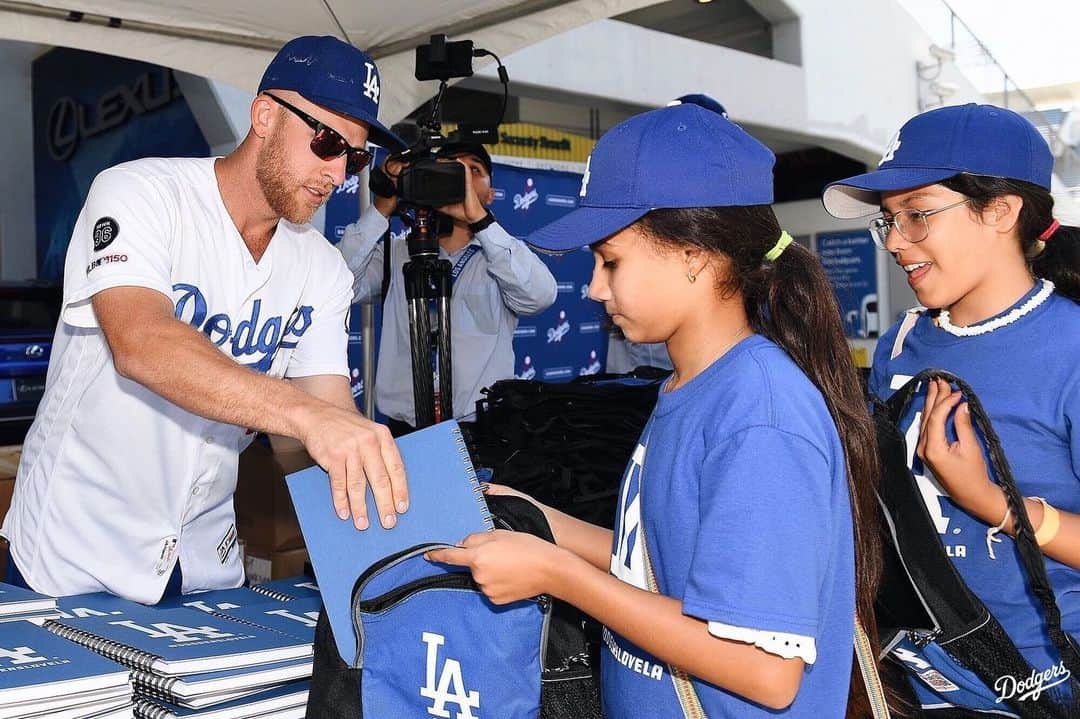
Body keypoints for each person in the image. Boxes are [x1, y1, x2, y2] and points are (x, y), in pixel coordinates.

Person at [428, 99, 883, 716]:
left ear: (695, 253)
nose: (593, 287)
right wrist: (542, 521)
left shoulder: (760, 415)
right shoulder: (690, 388)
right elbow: (660, 560)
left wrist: (559, 576)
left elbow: (766, 670)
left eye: (611, 260)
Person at [0, 36, 411, 604]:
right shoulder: (140, 193)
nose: (337, 174)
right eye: (326, 141)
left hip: (204, 559)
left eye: (355, 157)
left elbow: (324, 420)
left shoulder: (322, 267)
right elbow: (141, 343)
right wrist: (304, 416)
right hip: (75, 551)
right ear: (265, 115)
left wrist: (394, 514)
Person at [824, 103, 1080, 708]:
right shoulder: (902, 342)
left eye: (917, 216)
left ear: (1001, 211)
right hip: (917, 675)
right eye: (887, 221)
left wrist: (992, 502)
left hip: (1039, 685)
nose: (895, 242)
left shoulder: (1069, 347)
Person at [337, 142, 557, 436]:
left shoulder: (502, 256)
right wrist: (382, 207)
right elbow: (336, 284)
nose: (461, 175)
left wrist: (480, 221)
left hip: (483, 429)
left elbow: (540, 297)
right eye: (450, 167)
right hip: (405, 431)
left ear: (490, 196)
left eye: (474, 170)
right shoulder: (398, 253)